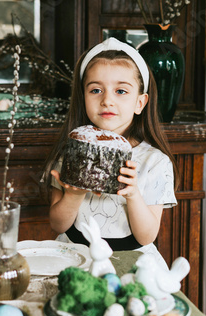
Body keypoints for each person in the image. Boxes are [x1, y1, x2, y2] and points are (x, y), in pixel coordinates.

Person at [42, 37, 178, 263]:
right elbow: (58, 224)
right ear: (83, 97)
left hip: (132, 260)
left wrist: (133, 193)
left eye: (121, 91)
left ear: (140, 103)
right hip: (75, 256)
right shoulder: (71, 152)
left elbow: (146, 236)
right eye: (96, 90)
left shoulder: (155, 162)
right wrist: (74, 194)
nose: (107, 100)